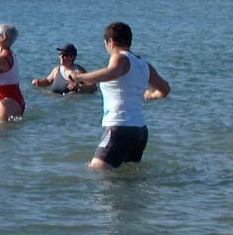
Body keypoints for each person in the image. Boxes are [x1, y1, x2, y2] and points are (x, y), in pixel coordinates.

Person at [67, 22, 170, 170]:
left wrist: (79, 77)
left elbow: (112, 73)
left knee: (96, 171)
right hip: (140, 131)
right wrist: (150, 95)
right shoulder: (144, 65)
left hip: (120, 127)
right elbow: (165, 89)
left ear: (110, 42)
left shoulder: (119, 57)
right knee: (126, 180)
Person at [31, 43, 97, 94]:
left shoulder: (79, 71)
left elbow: (94, 87)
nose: (61, 56)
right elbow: (47, 82)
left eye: (65, 55)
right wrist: (39, 83)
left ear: (72, 57)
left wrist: (79, 87)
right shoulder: (56, 70)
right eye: (60, 54)